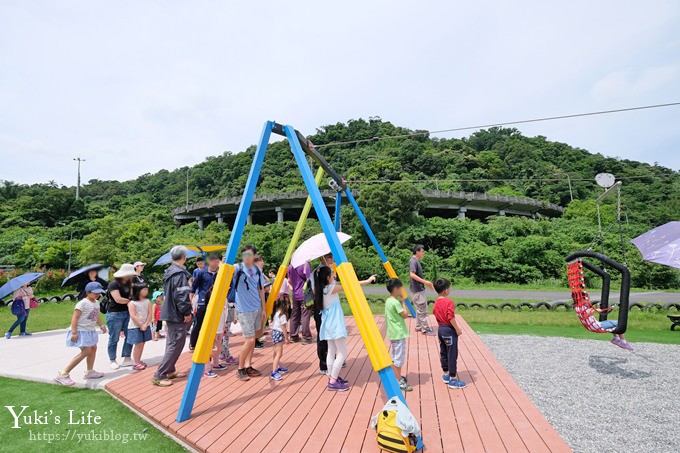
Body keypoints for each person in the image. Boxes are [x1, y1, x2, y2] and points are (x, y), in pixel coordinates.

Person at [314, 265, 376, 392]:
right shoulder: (331, 288)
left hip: (327, 324)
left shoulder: (320, 289)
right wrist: (368, 281)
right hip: (335, 324)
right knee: (342, 353)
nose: (333, 275)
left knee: (331, 351)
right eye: (331, 274)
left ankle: (332, 377)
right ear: (327, 277)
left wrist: (332, 277)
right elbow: (352, 284)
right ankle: (333, 381)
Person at [152, 246, 193, 387]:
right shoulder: (179, 274)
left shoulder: (170, 271)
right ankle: (159, 375)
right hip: (177, 314)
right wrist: (186, 312)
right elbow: (182, 296)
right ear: (184, 257)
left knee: (172, 343)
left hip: (170, 312)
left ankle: (170, 371)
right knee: (175, 344)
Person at [54, 282, 108, 386]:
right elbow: (75, 318)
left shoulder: (96, 302)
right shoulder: (82, 304)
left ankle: (90, 371)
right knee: (86, 351)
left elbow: (95, 315)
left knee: (93, 348)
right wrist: (74, 333)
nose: (97, 295)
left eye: (99, 293)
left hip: (90, 330)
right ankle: (63, 374)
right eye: (95, 293)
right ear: (88, 292)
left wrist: (101, 325)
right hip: (81, 331)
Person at [232, 245, 266, 382]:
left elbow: (261, 289)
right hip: (244, 310)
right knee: (250, 339)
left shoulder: (257, 270)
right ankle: (240, 369)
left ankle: (248, 365)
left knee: (255, 338)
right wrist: (222, 263)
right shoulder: (237, 268)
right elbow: (222, 269)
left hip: (256, 308)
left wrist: (263, 309)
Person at [432, 277, 466, 389]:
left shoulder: (436, 302)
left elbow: (434, 313)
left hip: (440, 329)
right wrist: (457, 329)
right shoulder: (449, 302)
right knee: (452, 353)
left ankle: (446, 374)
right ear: (445, 290)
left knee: (444, 351)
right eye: (449, 288)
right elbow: (450, 317)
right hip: (449, 330)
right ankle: (453, 379)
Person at [106, 263, 136, 369]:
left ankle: (127, 357)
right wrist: (131, 301)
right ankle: (112, 360)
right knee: (114, 338)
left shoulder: (129, 283)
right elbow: (118, 299)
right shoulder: (113, 284)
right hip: (115, 313)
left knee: (130, 335)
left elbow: (132, 296)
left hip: (127, 312)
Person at [384, 278, 412, 392]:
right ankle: (398, 380)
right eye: (400, 288)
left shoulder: (388, 301)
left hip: (392, 332)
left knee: (395, 356)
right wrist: (404, 302)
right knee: (398, 359)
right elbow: (405, 315)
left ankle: (397, 377)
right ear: (396, 288)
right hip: (398, 333)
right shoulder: (396, 302)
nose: (402, 290)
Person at [189, 253, 220, 349]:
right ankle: (193, 343)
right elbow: (193, 288)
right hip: (202, 302)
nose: (215, 263)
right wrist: (191, 302)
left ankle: (208, 343)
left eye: (217, 261)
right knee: (198, 323)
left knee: (212, 325)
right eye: (213, 261)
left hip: (215, 302)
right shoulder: (201, 272)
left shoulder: (220, 273)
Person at [409, 244, 435, 336]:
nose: (423, 253)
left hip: (418, 289)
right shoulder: (413, 261)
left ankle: (418, 326)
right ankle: (425, 329)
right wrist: (425, 282)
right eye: (422, 251)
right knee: (423, 309)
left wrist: (426, 283)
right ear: (417, 252)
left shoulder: (415, 261)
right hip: (417, 290)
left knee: (419, 309)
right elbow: (412, 274)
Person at [127, 283, 153, 371]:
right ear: (138, 291)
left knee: (142, 343)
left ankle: (139, 360)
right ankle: (136, 362)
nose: (146, 291)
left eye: (146, 289)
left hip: (146, 325)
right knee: (138, 344)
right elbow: (133, 315)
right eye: (144, 289)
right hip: (135, 326)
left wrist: (146, 324)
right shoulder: (132, 303)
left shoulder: (147, 301)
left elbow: (150, 313)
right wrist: (141, 324)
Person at [288, 262, 313, 344]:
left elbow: (289, 280)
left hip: (295, 294)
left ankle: (293, 336)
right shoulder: (305, 265)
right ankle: (306, 337)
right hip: (304, 294)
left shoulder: (291, 266)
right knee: (305, 315)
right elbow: (309, 280)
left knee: (295, 315)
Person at [270, 294, 291, 381]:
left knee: (275, 353)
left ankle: (277, 366)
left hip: (274, 333)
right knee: (279, 353)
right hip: (278, 334)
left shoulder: (276, 313)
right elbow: (283, 328)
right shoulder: (282, 316)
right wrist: (286, 338)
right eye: (288, 304)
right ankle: (274, 371)